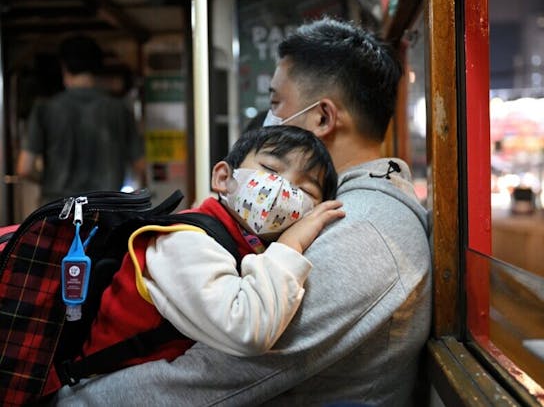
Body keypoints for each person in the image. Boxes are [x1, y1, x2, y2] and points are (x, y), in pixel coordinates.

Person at [56, 17, 431, 406]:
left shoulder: (364, 232)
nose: (268, 119)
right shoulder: (349, 209)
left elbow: (214, 377)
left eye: (275, 103)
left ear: (321, 117)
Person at [45, 125, 343, 395]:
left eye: (304, 190)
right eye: (270, 169)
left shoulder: (246, 245)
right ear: (224, 178)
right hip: (100, 394)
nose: (283, 190)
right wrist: (292, 244)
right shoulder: (185, 240)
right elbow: (247, 330)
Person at [16, 34, 146, 205]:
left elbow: (24, 168)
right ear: (99, 67)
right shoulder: (120, 109)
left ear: (64, 67)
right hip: (107, 209)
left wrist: (50, 181)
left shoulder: (45, 109)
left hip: (57, 209)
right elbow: (140, 165)